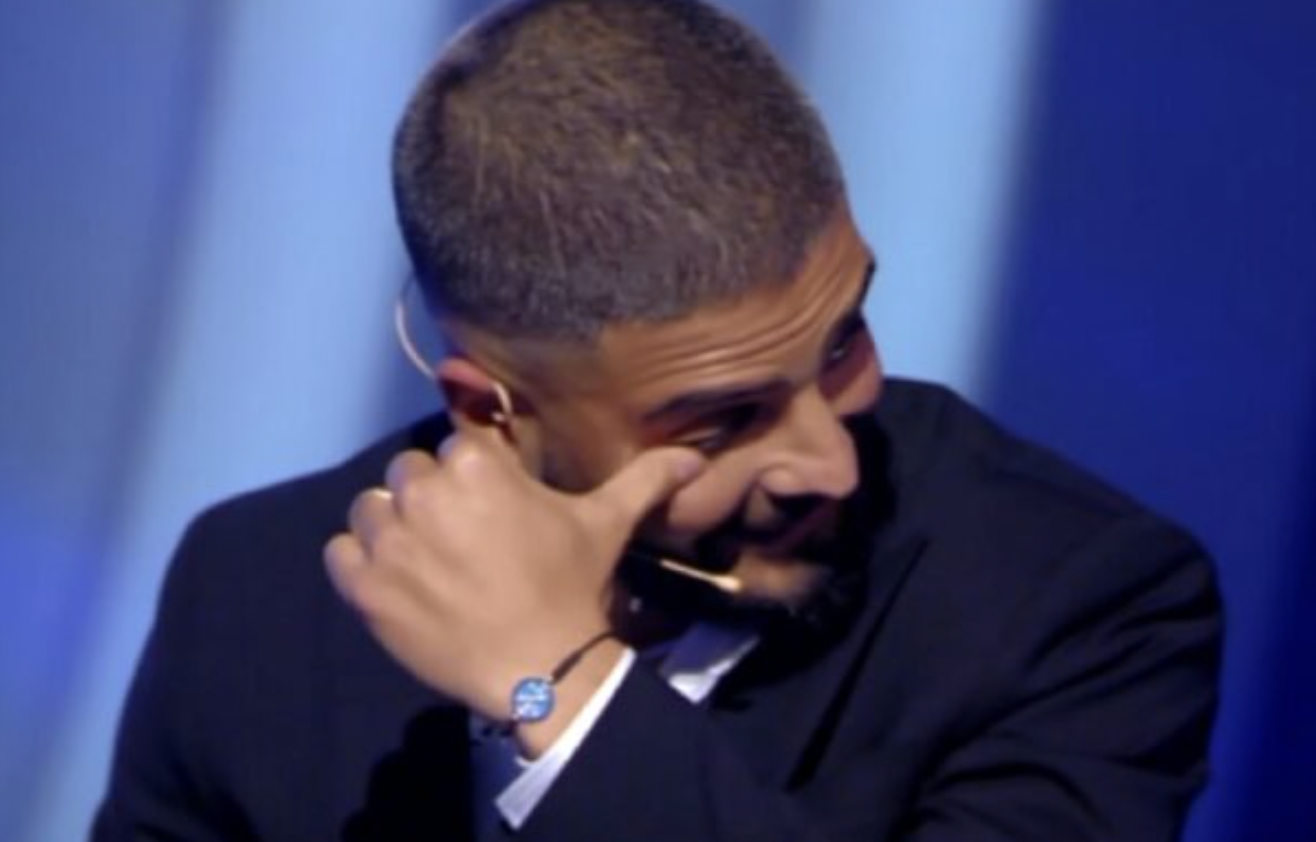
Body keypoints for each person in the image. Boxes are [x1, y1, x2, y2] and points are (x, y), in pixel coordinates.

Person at [93, 0, 1222, 839]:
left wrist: (556, 687)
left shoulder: (1079, 604)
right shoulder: (254, 594)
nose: (827, 461)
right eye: (722, 420)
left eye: (841, 343)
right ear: (489, 410)